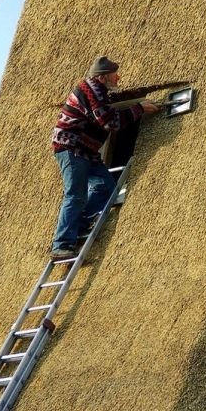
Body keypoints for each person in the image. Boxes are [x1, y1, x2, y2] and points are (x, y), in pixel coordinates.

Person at [50, 56, 160, 259]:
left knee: (105, 186)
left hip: (87, 151)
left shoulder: (99, 92)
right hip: (71, 147)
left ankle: (81, 225)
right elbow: (109, 122)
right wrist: (139, 108)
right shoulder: (92, 89)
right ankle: (61, 245)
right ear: (103, 77)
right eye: (114, 74)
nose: (118, 78)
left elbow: (105, 116)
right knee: (75, 194)